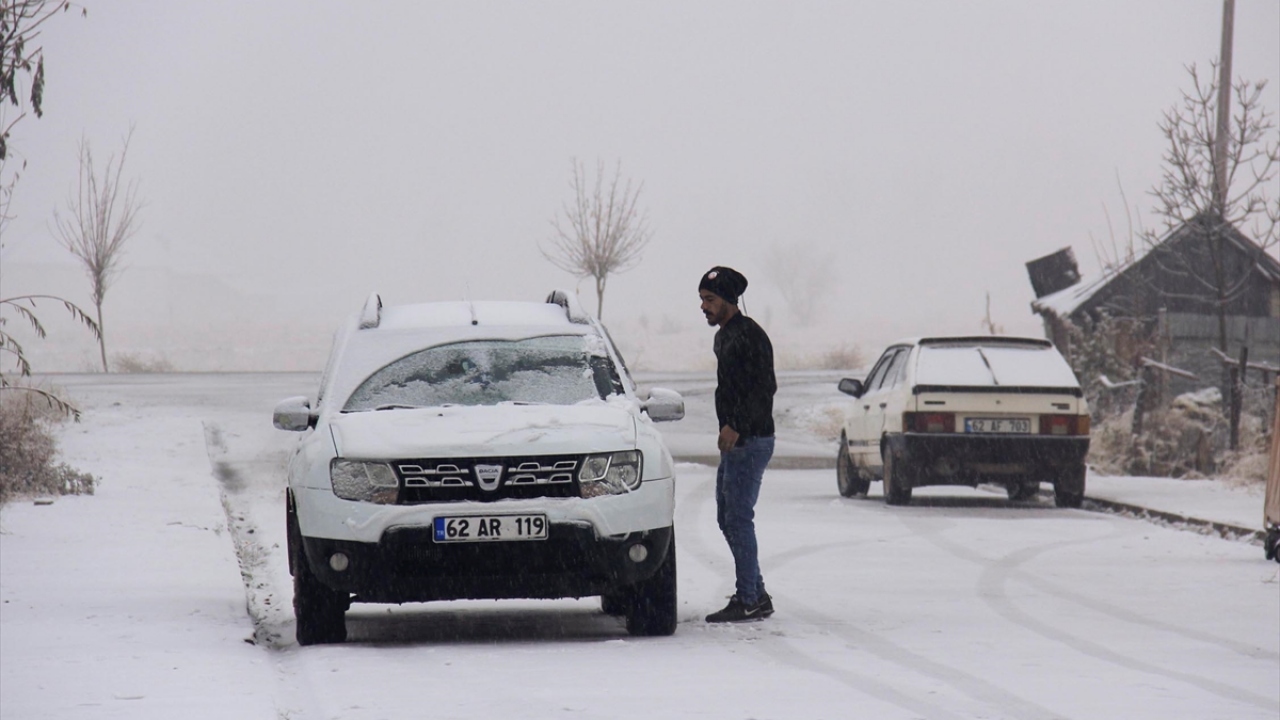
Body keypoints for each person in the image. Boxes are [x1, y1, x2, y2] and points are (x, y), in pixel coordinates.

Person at [698, 266, 777, 623]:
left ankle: (749, 597)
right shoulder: (724, 336)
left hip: (751, 438)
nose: (704, 307)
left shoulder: (750, 336)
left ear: (730, 300)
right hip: (736, 440)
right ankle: (755, 593)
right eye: (702, 300)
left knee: (738, 518)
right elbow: (728, 389)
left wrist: (737, 426)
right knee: (726, 516)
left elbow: (763, 389)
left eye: (710, 300)